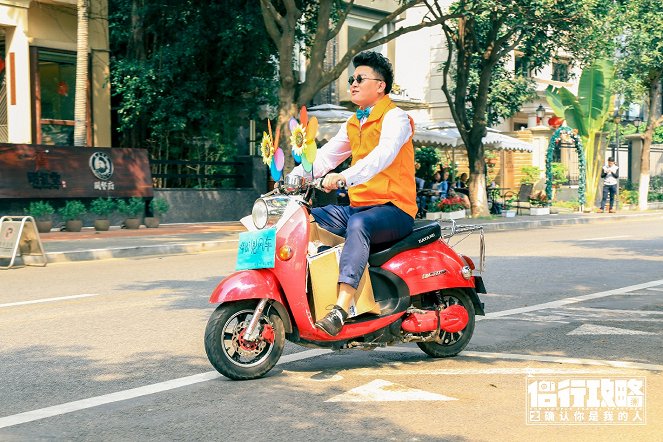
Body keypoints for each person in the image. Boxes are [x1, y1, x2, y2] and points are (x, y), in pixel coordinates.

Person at [289, 51, 416, 336]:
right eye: (352, 78)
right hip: (359, 206)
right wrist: (293, 177)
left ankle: (341, 308)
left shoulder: (396, 118)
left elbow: (382, 156)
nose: (353, 83)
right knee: (303, 217)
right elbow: (324, 158)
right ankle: (310, 292)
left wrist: (345, 177)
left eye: (360, 78)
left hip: (394, 209)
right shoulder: (354, 122)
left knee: (359, 225)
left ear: (380, 85)